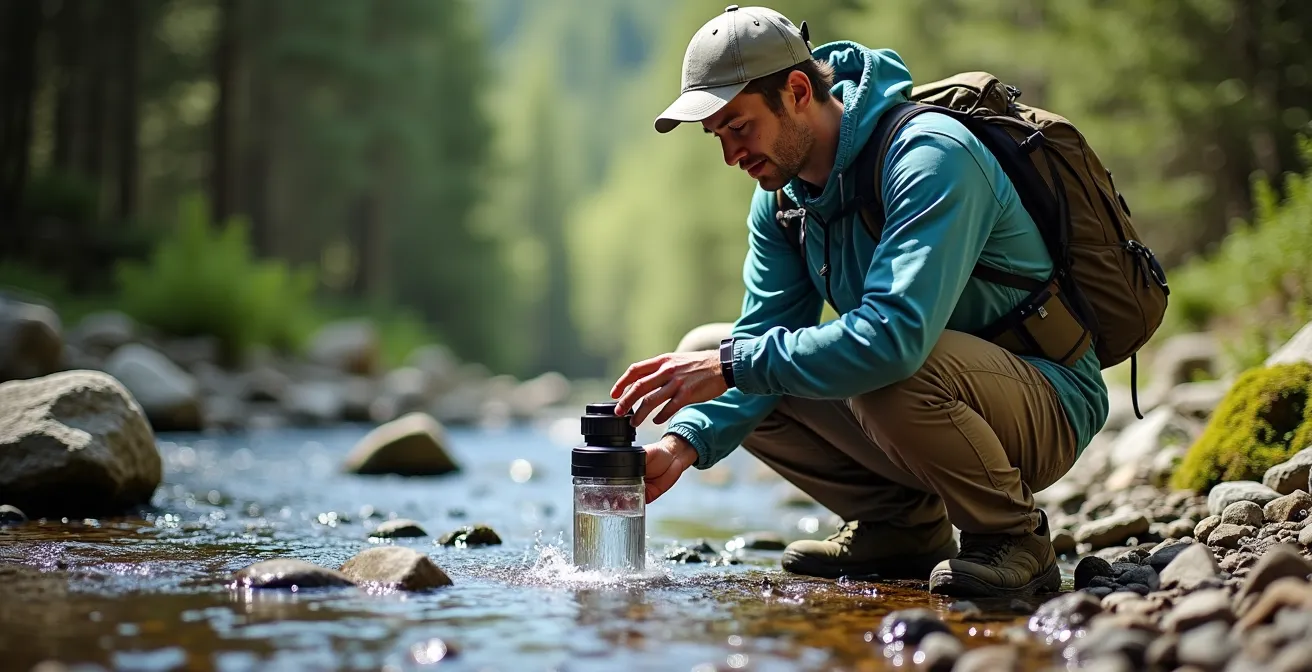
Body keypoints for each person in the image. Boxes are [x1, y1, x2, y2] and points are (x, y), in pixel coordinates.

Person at [607, 5, 1109, 598]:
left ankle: (1012, 536)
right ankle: (902, 527)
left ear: (796, 91)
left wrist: (731, 365)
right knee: (713, 349)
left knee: (872, 370)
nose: (730, 155)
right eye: (717, 136)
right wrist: (683, 440)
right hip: (931, 392)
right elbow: (761, 332)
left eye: (739, 127)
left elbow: (892, 340)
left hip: (1046, 397)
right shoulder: (783, 201)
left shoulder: (931, 156)